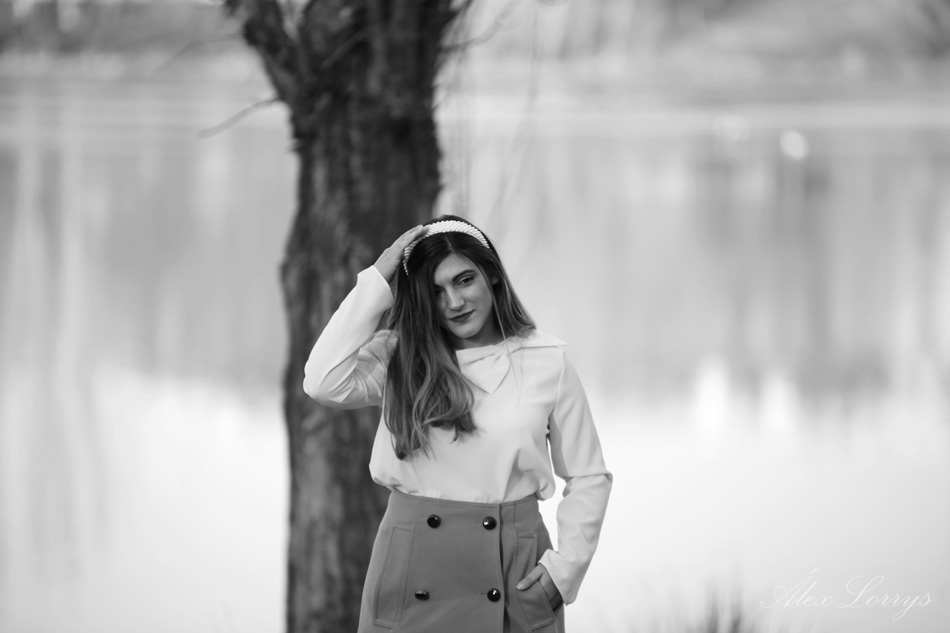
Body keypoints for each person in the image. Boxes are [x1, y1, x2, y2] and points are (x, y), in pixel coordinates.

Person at [302, 215, 612, 633]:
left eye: (464, 280)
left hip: (514, 569)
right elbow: (321, 381)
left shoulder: (546, 360)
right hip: (411, 569)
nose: (454, 302)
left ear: (492, 276)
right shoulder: (398, 357)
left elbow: (588, 475)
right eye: (435, 292)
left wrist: (565, 570)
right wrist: (377, 280)